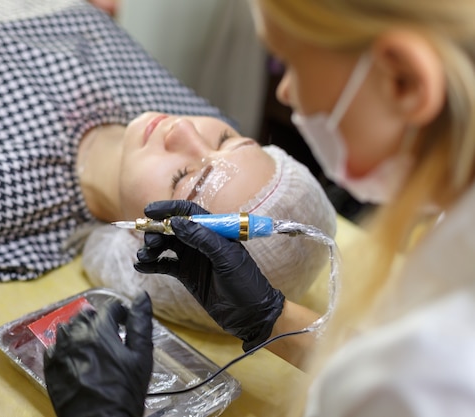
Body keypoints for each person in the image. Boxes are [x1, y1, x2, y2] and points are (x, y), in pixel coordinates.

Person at [43, 0, 475, 416]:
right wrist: (271, 318)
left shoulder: (429, 375)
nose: (285, 92)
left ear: (404, 80)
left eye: (292, 61)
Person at [0, 0, 335, 308]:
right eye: (228, 138)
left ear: (150, 251)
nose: (185, 130)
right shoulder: (182, 111)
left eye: (185, 178)